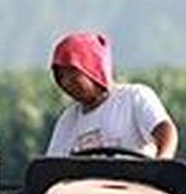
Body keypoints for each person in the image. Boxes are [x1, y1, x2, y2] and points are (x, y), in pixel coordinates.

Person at [44, 31, 178, 159]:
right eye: (61, 77)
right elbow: (54, 163)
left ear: (91, 70)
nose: (66, 83)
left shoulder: (133, 98)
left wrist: (163, 160)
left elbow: (164, 129)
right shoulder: (68, 119)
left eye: (73, 76)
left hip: (134, 175)